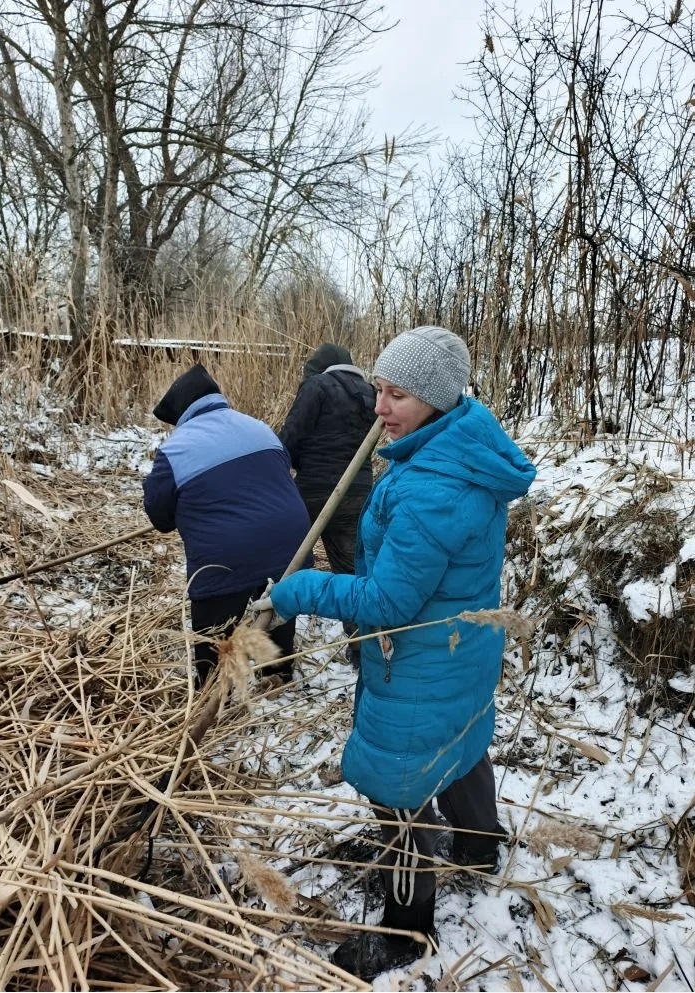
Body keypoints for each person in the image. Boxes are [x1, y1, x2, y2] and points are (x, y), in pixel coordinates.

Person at [251, 326, 536, 981]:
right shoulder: (455, 450)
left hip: (422, 658)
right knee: (459, 741)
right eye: (378, 389)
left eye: (397, 394)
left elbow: (386, 600)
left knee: (399, 788)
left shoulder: (435, 488)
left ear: (436, 399)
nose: (379, 407)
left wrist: (300, 589)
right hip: (458, 649)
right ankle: (479, 845)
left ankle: (407, 931)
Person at [142, 362, 311, 687]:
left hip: (227, 554)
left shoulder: (176, 449)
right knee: (277, 602)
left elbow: (160, 517)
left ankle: (213, 688)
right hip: (291, 539)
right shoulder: (260, 428)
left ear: (181, 414)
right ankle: (277, 672)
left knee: (214, 626)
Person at [278, 343, 377, 664]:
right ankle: (362, 650)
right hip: (357, 492)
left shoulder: (317, 385)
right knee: (351, 572)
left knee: (285, 567)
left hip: (313, 491)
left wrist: (294, 464)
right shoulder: (372, 393)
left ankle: (276, 652)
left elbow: (289, 438)